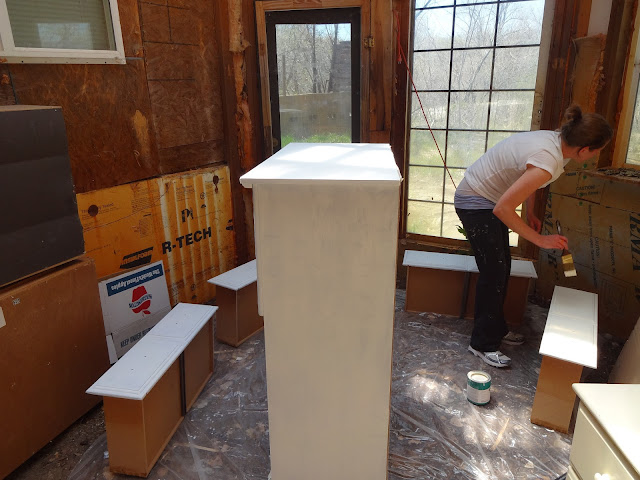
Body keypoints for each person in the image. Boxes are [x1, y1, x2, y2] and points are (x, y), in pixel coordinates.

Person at [454, 105, 613, 368]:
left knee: (501, 269)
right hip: (475, 202)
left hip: (488, 198)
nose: (596, 155)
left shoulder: (557, 142)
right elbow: (503, 209)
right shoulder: (548, 159)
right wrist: (541, 240)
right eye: (597, 150)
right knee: (494, 274)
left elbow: (527, 175)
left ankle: (495, 328)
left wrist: (529, 212)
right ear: (584, 149)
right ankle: (482, 343)